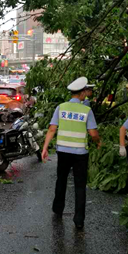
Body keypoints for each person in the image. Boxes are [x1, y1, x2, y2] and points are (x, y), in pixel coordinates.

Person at [41, 77, 101, 230]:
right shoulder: (86, 110)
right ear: (81, 93)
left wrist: (45, 148)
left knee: (61, 179)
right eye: (85, 93)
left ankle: (58, 208)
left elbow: (52, 129)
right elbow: (93, 133)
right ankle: (79, 219)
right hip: (80, 153)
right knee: (80, 185)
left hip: (63, 152)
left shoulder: (61, 108)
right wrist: (98, 142)